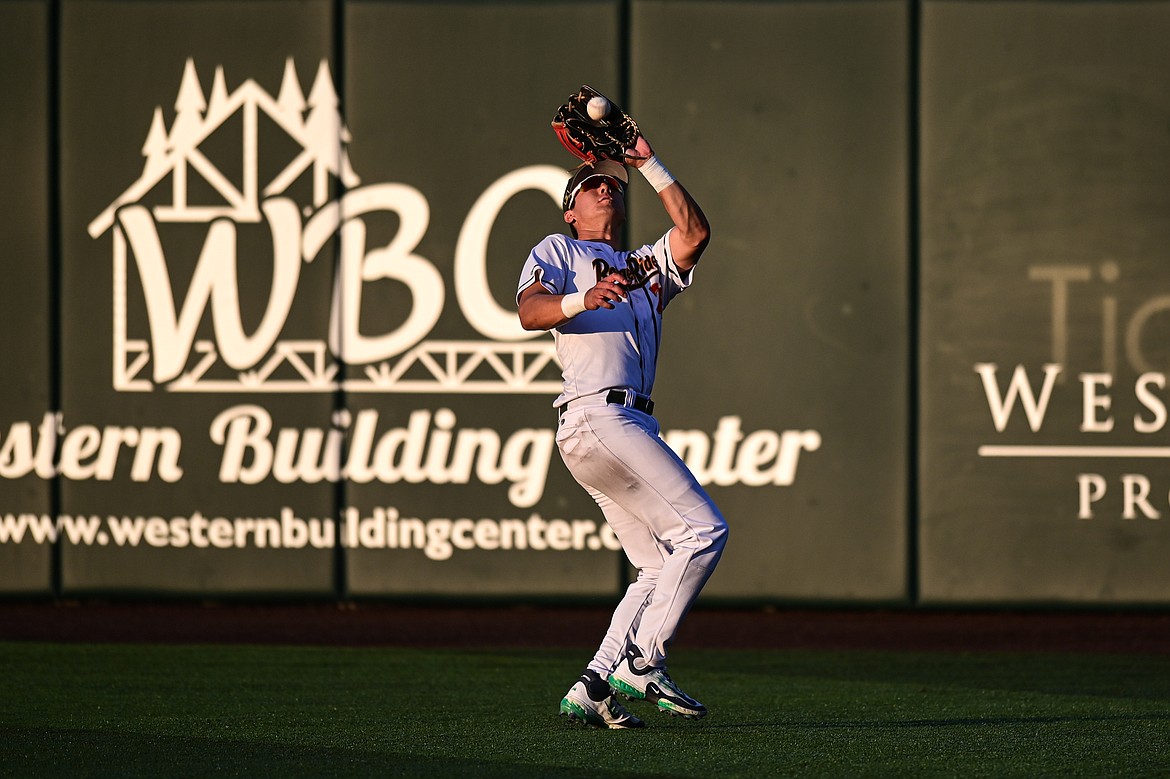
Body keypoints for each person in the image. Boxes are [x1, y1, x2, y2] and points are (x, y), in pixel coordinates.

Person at [516, 132, 729, 729]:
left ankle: (593, 684)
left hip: (615, 423)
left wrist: (649, 163)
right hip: (596, 414)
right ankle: (643, 663)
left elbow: (694, 235)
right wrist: (582, 297)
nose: (604, 188)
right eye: (590, 185)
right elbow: (530, 312)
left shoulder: (643, 267)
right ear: (571, 210)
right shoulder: (560, 249)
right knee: (704, 531)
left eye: (610, 183)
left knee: (657, 566)